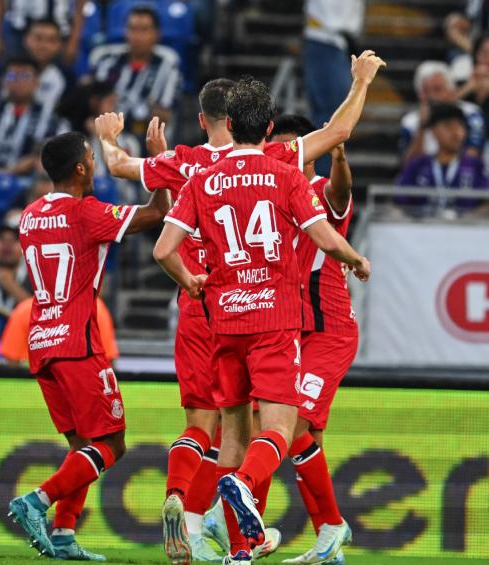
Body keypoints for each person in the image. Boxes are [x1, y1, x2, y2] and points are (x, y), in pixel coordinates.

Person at [97, 50, 386, 564]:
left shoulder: (191, 170)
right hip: (276, 317)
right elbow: (336, 146)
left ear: (220, 121)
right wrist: (361, 81)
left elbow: (137, 201)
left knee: (213, 429)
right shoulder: (283, 169)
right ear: (268, 128)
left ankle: (211, 527)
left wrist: (108, 138)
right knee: (279, 428)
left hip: (213, 313)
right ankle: (251, 501)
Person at [8, 131, 166, 559]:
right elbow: (156, 214)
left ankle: (63, 535)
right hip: (78, 340)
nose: (96, 165)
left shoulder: (29, 216)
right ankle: (37, 501)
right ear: (80, 169)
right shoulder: (86, 212)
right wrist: (158, 165)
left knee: (82, 447)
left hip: (41, 340)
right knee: (112, 445)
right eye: (92, 159)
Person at [267, 114, 356, 565]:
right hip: (293, 331)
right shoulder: (271, 199)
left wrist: (339, 157)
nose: (284, 161)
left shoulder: (319, 192)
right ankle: (330, 545)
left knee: (295, 426)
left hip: (329, 330)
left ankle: (331, 527)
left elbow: (341, 195)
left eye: (292, 151)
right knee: (303, 437)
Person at [88, 6, 180, 139]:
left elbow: (163, 115)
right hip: (104, 135)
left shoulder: (167, 63)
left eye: (144, 30)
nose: (137, 36)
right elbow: (92, 102)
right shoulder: (106, 60)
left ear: (157, 34)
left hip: (145, 137)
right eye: (132, 29)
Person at [0, 56, 69, 178]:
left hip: (28, 183)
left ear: (36, 82)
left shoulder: (51, 118)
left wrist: (36, 158)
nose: (18, 81)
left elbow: (63, 151)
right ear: (4, 81)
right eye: (12, 76)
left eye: (25, 76)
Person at [397, 103, 489, 217]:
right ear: (433, 131)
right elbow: (398, 202)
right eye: (448, 126)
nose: (456, 132)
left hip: (465, 231)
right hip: (421, 230)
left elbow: (486, 202)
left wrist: (469, 219)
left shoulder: (475, 166)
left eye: (460, 126)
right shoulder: (418, 165)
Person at [400, 61, 484, 161]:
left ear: (451, 90)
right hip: (426, 175)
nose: (432, 96)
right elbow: (408, 166)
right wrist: (422, 126)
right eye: (426, 91)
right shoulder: (410, 122)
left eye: (437, 89)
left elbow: (472, 156)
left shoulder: (471, 113)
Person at [0, 296, 118, 366]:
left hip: (81, 393)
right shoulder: (24, 312)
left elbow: (108, 362)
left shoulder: (96, 309)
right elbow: (11, 365)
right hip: (32, 395)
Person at [301, 0, 364, 129]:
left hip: (338, 42)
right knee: (332, 114)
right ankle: (320, 149)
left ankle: (321, 148)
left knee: (335, 113)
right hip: (324, 39)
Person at [0, 0, 85, 64]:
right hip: (19, 30)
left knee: (60, 77)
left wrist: (74, 41)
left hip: (59, 31)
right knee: (17, 75)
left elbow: (80, 6)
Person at [0, 213, 31, 315]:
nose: (7, 244)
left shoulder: (36, 276)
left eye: (14, 240)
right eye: (1, 239)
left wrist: (10, 285)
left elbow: (44, 313)